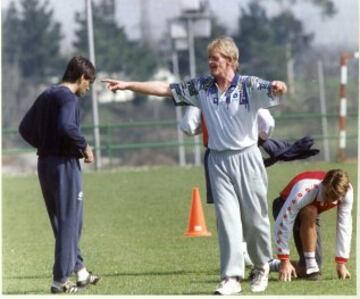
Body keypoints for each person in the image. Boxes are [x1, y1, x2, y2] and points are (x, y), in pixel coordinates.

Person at [102, 36, 287, 295]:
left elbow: (275, 88)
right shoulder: (202, 87)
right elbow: (166, 89)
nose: (211, 62)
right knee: (227, 219)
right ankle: (231, 276)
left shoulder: (249, 85)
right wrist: (129, 85)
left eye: (216, 58)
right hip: (217, 160)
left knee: (256, 220)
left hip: (247, 157)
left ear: (231, 61)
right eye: (210, 58)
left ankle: (261, 266)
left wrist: (280, 86)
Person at [19, 56, 100, 294]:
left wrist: (44, 144)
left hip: (44, 164)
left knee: (62, 222)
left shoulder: (47, 94)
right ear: (82, 77)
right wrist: (84, 146)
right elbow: (67, 126)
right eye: (89, 82)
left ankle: (81, 271)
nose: (88, 88)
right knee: (70, 222)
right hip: (64, 165)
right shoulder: (68, 97)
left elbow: (24, 128)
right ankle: (60, 280)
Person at [271, 169, 353, 282]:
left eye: (334, 198)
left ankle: (269, 264)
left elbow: (344, 225)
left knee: (311, 271)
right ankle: (303, 263)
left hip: (309, 214)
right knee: (311, 210)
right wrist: (284, 259)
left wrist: (341, 263)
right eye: (327, 195)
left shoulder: (347, 192)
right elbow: (283, 223)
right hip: (284, 206)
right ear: (323, 185)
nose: (329, 201)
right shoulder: (306, 189)